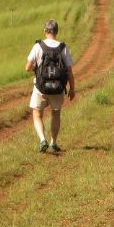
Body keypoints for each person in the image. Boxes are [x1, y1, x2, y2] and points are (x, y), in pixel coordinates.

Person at [25, 19, 75, 153]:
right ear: (56, 32)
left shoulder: (38, 46)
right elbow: (69, 71)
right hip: (58, 88)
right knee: (56, 113)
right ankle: (54, 142)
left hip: (41, 87)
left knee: (37, 114)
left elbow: (27, 67)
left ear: (45, 31)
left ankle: (42, 140)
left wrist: (37, 67)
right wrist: (72, 88)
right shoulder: (63, 47)